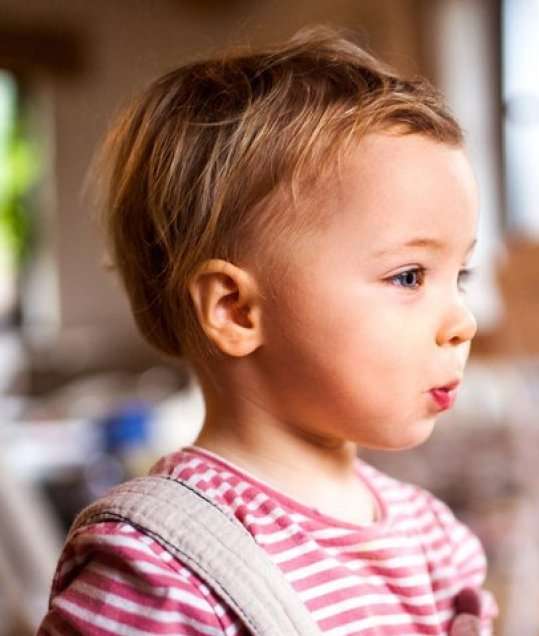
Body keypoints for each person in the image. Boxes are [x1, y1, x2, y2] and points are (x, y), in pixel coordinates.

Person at [38, 26, 498, 636]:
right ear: (235, 310)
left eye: (459, 273)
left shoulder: (441, 546)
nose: (462, 321)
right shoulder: (156, 570)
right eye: (410, 276)